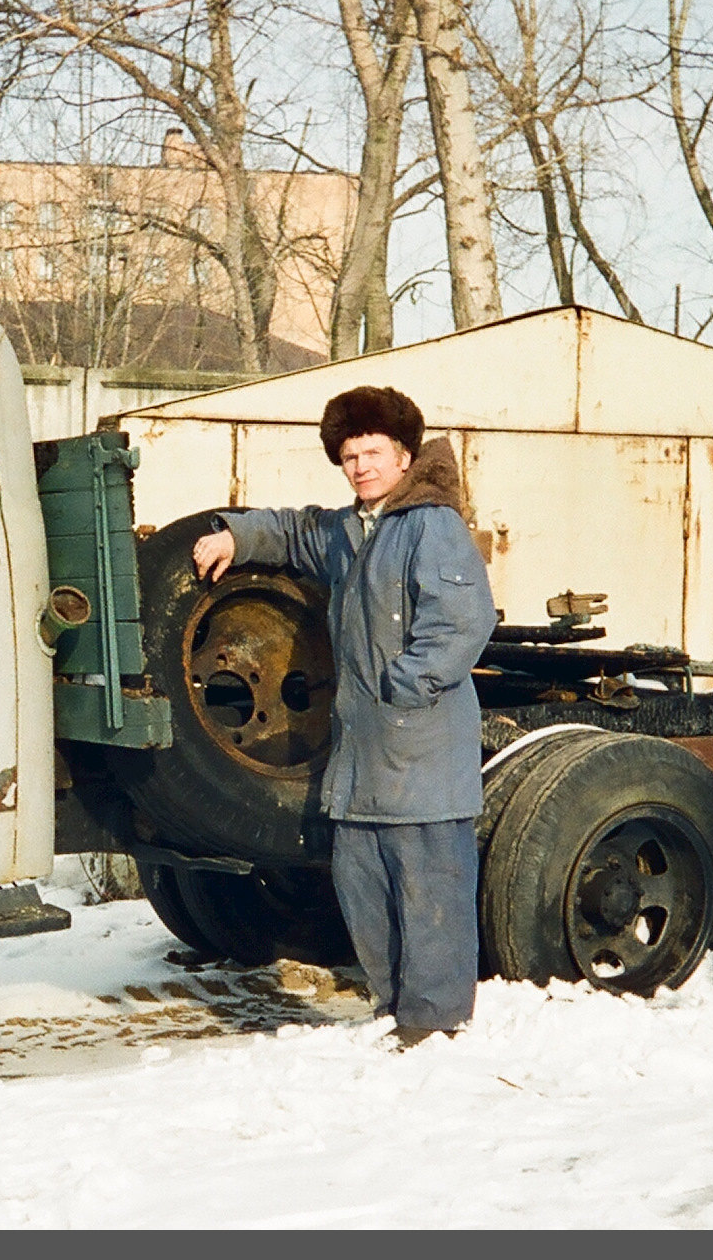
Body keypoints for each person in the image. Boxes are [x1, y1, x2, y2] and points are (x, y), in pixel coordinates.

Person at [192, 386, 495, 1047]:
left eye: (374, 453)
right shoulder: (348, 530)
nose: (361, 466)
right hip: (362, 755)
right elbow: (294, 530)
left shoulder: (430, 525)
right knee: (364, 884)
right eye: (351, 456)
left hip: (420, 743)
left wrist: (404, 687)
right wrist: (234, 535)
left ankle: (436, 1019)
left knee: (429, 887)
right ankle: (396, 1007)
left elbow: (465, 619)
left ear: (405, 456)